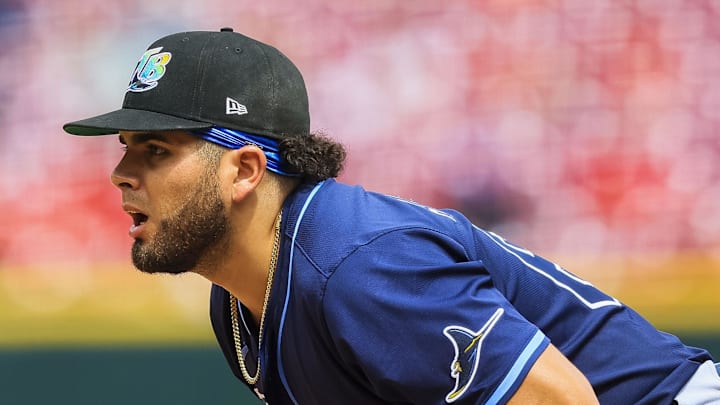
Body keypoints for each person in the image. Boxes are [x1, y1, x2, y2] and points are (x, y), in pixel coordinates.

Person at [63, 28, 720, 405]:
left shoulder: (361, 268)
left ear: (244, 170)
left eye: (156, 150)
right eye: (127, 148)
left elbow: (563, 403)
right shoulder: (242, 300)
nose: (123, 172)